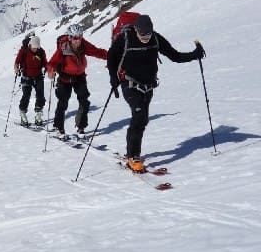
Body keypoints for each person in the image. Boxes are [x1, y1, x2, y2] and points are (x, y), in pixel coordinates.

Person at [107, 14, 205, 172]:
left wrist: (194, 55)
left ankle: (130, 151)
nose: (146, 37)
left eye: (148, 33)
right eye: (142, 34)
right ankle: (133, 156)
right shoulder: (125, 38)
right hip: (129, 84)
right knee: (139, 117)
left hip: (148, 86)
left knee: (142, 120)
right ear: (136, 29)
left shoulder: (156, 38)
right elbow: (111, 58)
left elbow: (175, 56)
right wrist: (113, 78)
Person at [46, 24, 108, 138]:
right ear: (69, 37)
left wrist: (110, 57)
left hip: (80, 77)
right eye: (75, 37)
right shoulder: (63, 47)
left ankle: (81, 127)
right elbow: (52, 62)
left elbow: (96, 51)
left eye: (79, 36)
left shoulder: (84, 44)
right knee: (63, 102)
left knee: (84, 101)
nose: (77, 40)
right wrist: (50, 70)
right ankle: (58, 127)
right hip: (65, 78)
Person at [13, 35, 48, 126]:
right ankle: (23, 114)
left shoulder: (41, 51)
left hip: (38, 76)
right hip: (26, 76)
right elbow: (17, 61)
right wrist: (16, 68)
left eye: (37, 48)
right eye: (33, 47)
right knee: (26, 95)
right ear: (30, 45)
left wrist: (49, 68)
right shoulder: (24, 51)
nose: (35, 49)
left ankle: (38, 114)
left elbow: (45, 62)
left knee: (40, 96)